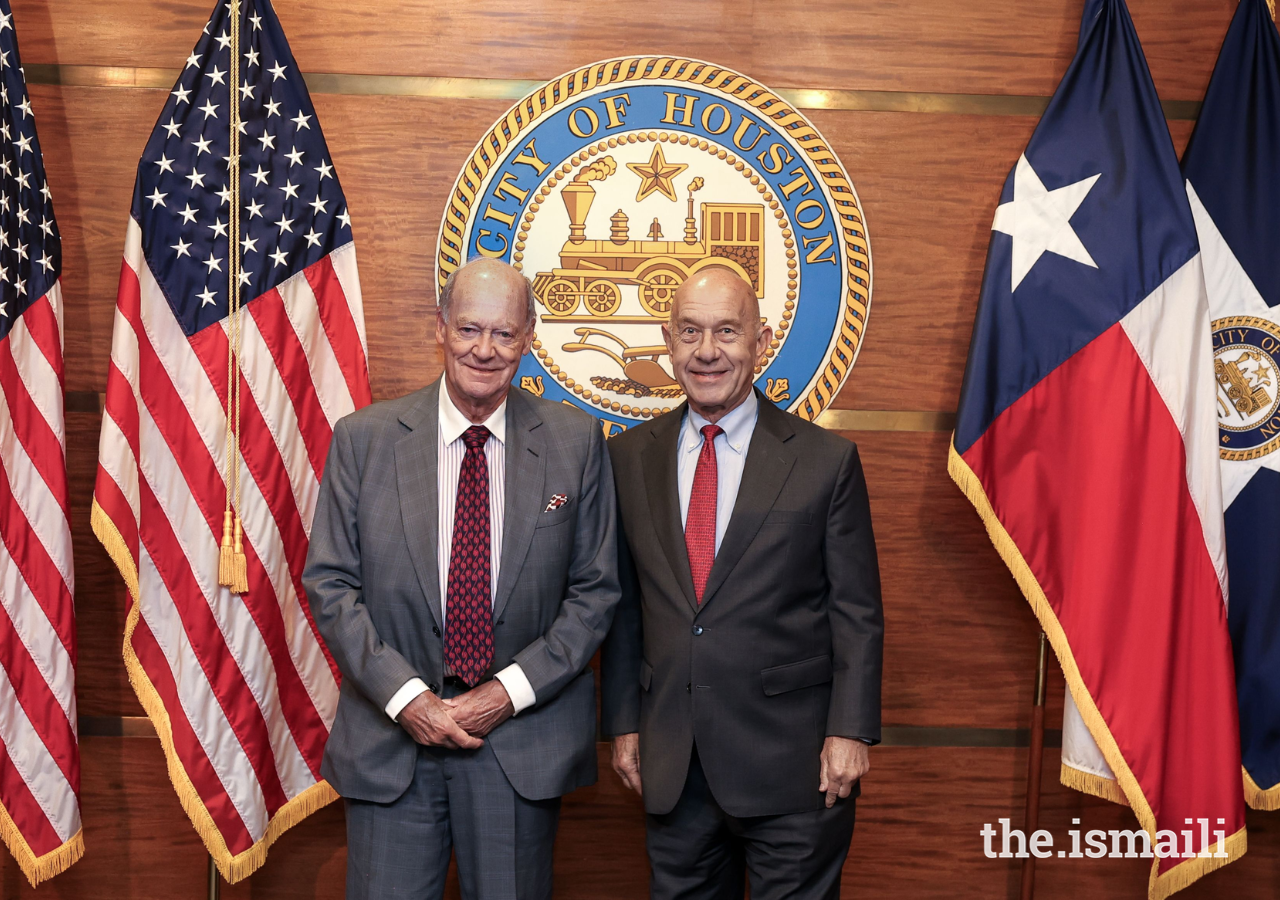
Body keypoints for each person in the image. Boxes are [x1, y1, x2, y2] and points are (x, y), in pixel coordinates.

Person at [304, 257, 620, 900]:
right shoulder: (364, 440)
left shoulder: (575, 441)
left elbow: (594, 594)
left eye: (504, 334)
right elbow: (330, 583)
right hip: (393, 745)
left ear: (529, 338)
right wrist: (408, 700)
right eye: (470, 328)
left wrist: (503, 694)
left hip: (515, 748)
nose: (484, 349)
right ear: (440, 327)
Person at [601, 267, 884, 900]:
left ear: (762, 338)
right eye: (690, 332)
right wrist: (623, 723)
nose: (707, 351)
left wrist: (851, 731)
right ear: (667, 341)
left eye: (727, 331)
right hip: (674, 766)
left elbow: (856, 610)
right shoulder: (627, 458)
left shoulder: (824, 460)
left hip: (797, 765)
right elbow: (624, 609)